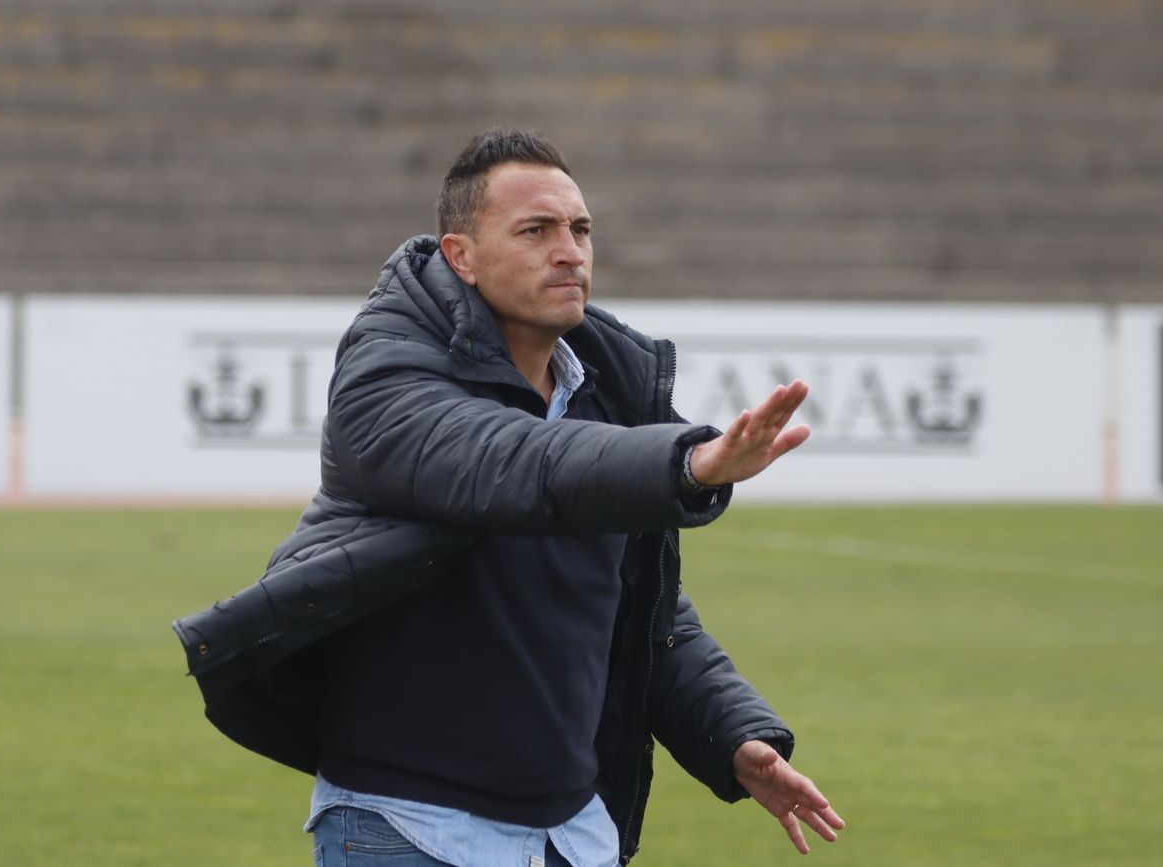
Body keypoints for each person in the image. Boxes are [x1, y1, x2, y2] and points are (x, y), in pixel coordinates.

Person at [175, 129, 845, 866]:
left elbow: (642, 607)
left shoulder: (610, 392)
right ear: (460, 256)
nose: (570, 251)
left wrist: (733, 733)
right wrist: (683, 462)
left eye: (580, 229)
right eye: (536, 230)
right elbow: (520, 461)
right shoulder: (386, 375)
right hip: (407, 829)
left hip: (573, 835)